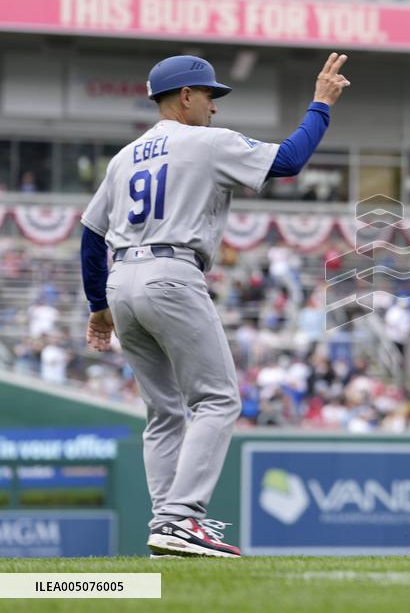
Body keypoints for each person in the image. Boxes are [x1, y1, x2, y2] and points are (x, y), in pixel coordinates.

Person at [80, 52, 350, 557]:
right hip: (172, 273)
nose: (215, 108)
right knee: (219, 398)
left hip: (122, 280)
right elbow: (288, 161)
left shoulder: (122, 158)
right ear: (185, 96)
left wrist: (98, 305)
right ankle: (182, 518)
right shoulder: (204, 143)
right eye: (209, 96)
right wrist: (320, 106)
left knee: (163, 412)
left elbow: (91, 235)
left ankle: (165, 521)